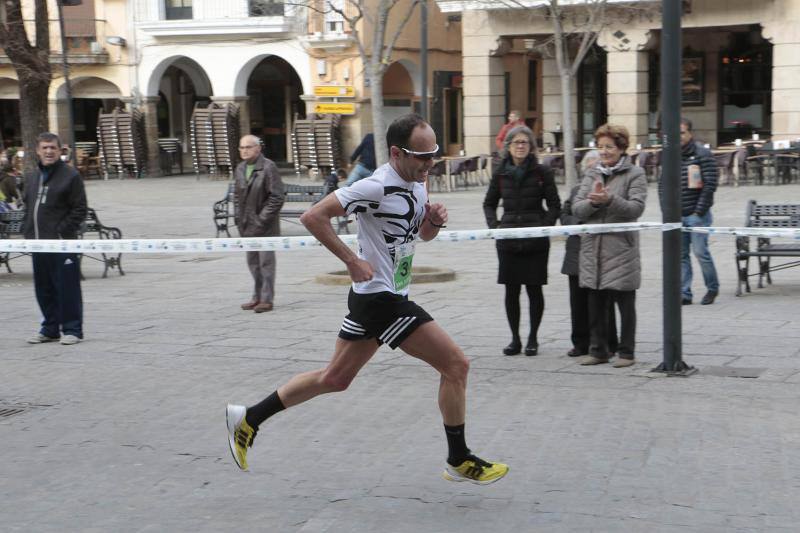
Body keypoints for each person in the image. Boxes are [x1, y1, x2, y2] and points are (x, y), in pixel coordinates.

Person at [226, 113, 509, 485]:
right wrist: (351, 260)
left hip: (378, 297)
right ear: (396, 152)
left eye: (434, 155)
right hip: (381, 300)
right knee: (457, 365)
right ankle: (459, 458)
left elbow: (420, 237)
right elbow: (313, 217)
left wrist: (434, 222)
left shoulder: (418, 183)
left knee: (335, 378)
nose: (430, 164)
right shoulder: (375, 186)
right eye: (421, 156)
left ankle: (248, 419)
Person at [573, 124, 647, 368]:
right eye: (601, 147)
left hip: (621, 249)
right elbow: (577, 208)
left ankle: (626, 352)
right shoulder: (592, 173)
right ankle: (598, 350)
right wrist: (593, 204)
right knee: (595, 302)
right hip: (593, 248)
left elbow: (635, 209)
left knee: (625, 303)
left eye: (610, 147)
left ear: (621, 148)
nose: (604, 151)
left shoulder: (635, 174)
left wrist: (610, 199)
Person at [483, 126, 560, 356]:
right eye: (516, 142)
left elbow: (554, 204)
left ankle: (533, 338)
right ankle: (515, 338)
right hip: (508, 240)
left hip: (535, 241)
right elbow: (489, 203)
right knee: (511, 290)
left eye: (524, 143)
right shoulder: (500, 172)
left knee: (534, 289)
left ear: (531, 147)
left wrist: (543, 225)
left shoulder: (542, 172)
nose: (520, 146)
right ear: (508, 146)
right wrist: (495, 227)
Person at [23, 132, 87, 345]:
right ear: (38, 151)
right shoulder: (32, 178)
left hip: (62, 244)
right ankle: (50, 328)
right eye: (45, 148)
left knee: (67, 287)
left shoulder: (71, 176)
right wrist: (27, 231)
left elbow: (79, 209)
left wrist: (62, 231)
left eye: (53, 148)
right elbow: (28, 206)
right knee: (44, 287)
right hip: (38, 244)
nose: (49, 151)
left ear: (60, 151)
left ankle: (72, 329)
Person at [560, 150, 618, 358]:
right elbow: (564, 215)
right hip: (576, 252)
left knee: (603, 302)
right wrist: (579, 225)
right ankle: (580, 343)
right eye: (590, 168)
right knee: (577, 302)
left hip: (601, 252)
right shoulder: (576, 191)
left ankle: (608, 342)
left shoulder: (609, 191)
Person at [667, 117, 720, 306]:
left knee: (700, 252)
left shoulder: (702, 153)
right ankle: (684, 293)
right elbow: (663, 185)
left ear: (690, 133)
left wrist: (699, 211)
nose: (678, 137)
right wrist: (667, 211)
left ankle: (712, 288)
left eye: (681, 132)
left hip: (697, 215)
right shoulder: (670, 154)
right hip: (677, 215)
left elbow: (710, 184)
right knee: (681, 255)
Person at [234, 135, 286, 313]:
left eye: (248, 147)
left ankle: (266, 299)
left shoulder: (268, 167)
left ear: (258, 148)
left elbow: (277, 197)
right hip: (246, 225)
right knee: (253, 263)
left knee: (266, 263)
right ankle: (256, 296)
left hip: (265, 226)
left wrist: (261, 220)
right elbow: (237, 196)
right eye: (241, 147)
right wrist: (238, 219)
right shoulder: (240, 168)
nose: (244, 150)